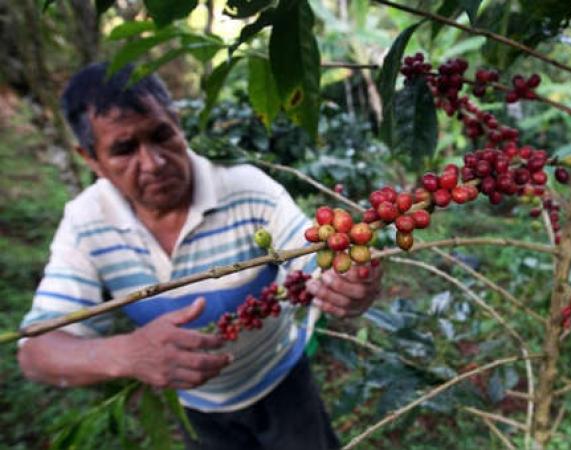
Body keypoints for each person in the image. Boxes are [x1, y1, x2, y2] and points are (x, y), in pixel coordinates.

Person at [16, 63, 382, 449]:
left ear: (177, 122)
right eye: (124, 149)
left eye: (162, 135)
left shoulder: (246, 188)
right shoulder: (85, 224)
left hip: (281, 380)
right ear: (90, 159)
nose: (154, 162)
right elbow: (37, 350)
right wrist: (125, 353)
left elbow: (310, 256)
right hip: (197, 409)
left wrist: (345, 280)